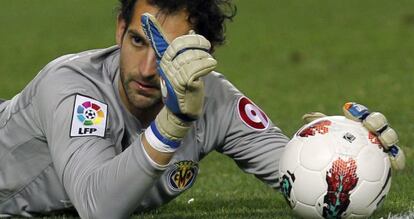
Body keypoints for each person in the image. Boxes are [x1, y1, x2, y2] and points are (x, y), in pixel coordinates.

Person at [0, 0, 405, 218]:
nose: (146, 69)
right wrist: (173, 124)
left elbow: (293, 170)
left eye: (169, 54)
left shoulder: (218, 102)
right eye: (139, 41)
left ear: (204, 52)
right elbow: (97, 206)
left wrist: (344, 146)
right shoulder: (71, 87)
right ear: (120, 30)